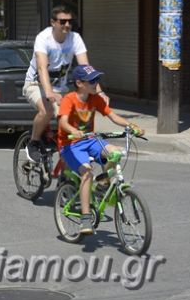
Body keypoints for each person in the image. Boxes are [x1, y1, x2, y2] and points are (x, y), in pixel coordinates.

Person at [57, 65, 143, 234]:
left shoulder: (95, 99)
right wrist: (73, 131)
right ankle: (86, 217)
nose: (96, 83)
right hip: (71, 144)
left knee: (115, 153)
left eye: (97, 80)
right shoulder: (69, 99)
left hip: (91, 140)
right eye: (92, 81)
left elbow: (112, 115)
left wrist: (131, 125)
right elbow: (63, 122)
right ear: (80, 83)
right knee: (87, 173)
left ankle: (103, 184)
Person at [23, 5, 106, 164]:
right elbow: (41, 68)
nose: (67, 25)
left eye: (70, 22)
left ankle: (71, 151)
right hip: (35, 83)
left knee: (76, 116)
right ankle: (33, 142)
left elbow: (85, 68)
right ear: (53, 23)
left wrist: (100, 93)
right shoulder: (43, 38)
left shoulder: (75, 38)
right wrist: (48, 92)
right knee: (47, 110)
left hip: (60, 87)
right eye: (62, 22)